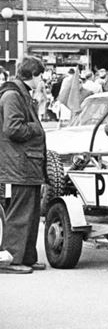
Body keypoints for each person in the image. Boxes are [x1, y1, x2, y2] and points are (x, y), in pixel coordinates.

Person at [0, 56, 48, 274]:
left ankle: (26, 256)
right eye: (41, 76)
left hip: (26, 163)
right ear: (34, 75)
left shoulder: (21, 94)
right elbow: (13, 129)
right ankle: (11, 259)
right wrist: (36, 129)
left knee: (30, 213)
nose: (43, 81)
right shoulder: (12, 96)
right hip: (19, 164)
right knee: (20, 214)